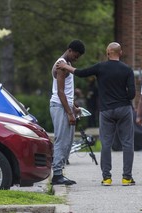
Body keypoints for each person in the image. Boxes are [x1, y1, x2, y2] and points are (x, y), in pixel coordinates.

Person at [57, 42, 136, 186]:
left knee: (106, 144)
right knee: (127, 143)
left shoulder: (100, 67)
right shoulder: (127, 70)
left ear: (107, 53)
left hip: (106, 111)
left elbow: (81, 73)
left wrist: (66, 66)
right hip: (124, 109)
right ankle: (126, 178)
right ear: (121, 53)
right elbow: (132, 94)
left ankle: (107, 178)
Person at [50, 39, 85, 185]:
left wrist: (74, 107)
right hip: (59, 106)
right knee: (61, 140)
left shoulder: (67, 64)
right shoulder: (61, 65)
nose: (76, 58)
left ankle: (60, 172)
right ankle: (57, 174)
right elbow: (60, 91)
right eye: (76, 55)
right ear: (70, 50)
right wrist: (70, 113)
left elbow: (68, 92)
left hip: (66, 106)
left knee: (68, 142)